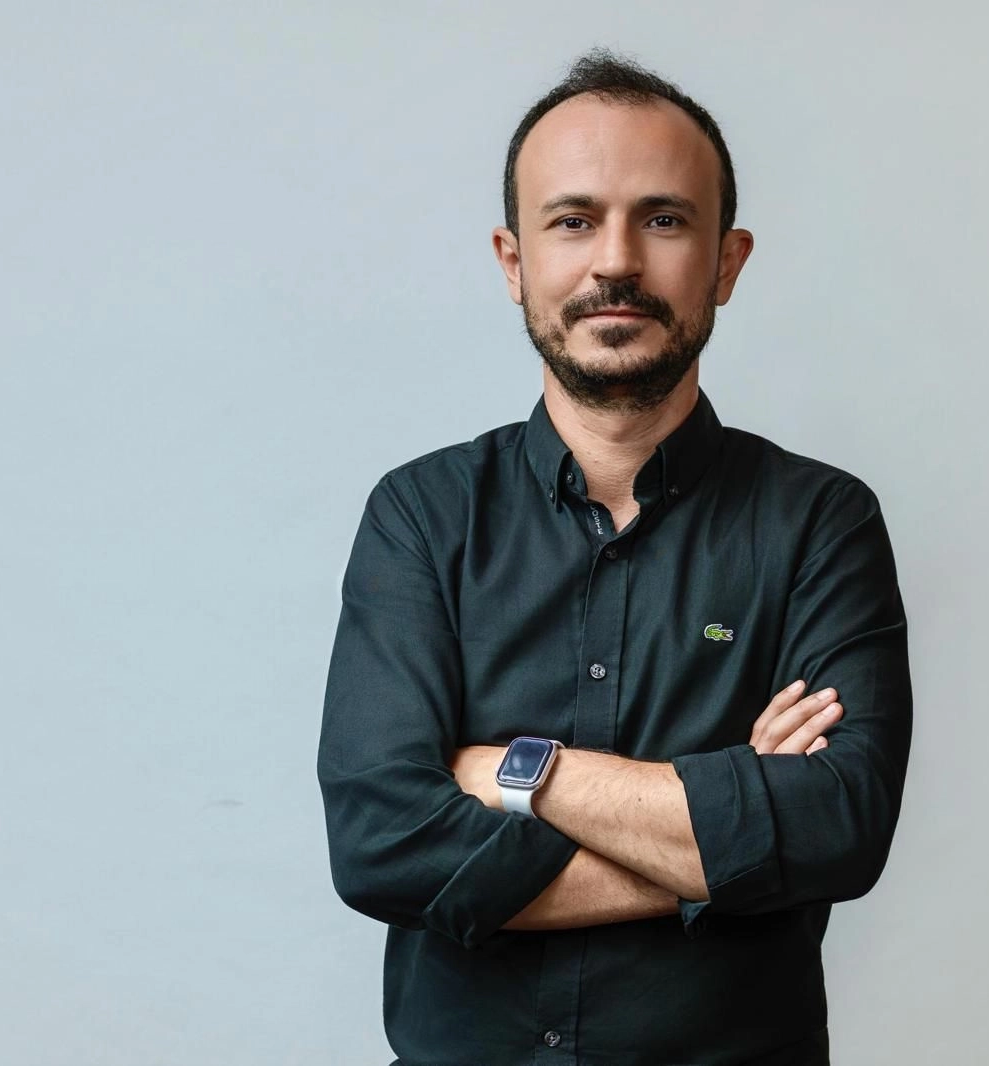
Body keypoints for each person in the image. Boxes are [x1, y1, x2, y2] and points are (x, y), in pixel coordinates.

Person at [318, 49, 912, 1066]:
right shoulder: (421, 516)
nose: (616, 262)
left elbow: (838, 827)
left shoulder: (820, 522)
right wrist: (725, 840)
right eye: (573, 220)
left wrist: (515, 775)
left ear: (727, 261)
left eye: (665, 219)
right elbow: (382, 845)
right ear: (514, 261)